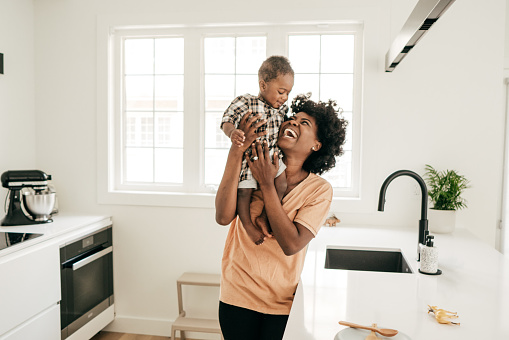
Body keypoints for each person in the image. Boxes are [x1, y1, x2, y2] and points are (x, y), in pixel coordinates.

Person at [215, 93, 348, 340]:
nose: (293, 122)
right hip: (237, 294)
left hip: (282, 304)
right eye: (292, 119)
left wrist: (267, 183)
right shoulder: (251, 165)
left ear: (317, 145)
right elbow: (223, 217)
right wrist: (238, 150)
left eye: (304, 123)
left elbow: (292, 244)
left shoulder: (319, 190)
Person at [220, 56, 294, 245]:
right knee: (244, 193)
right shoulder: (246, 102)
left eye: (288, 93)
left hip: (272, 159)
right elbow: (226, 119)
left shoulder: (282, 110)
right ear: (263, 85)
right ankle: (248, 225)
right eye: (281, 91)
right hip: (250, 158)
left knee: (282, 184)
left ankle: (264, 216)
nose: (284, 97)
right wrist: (233, 133)